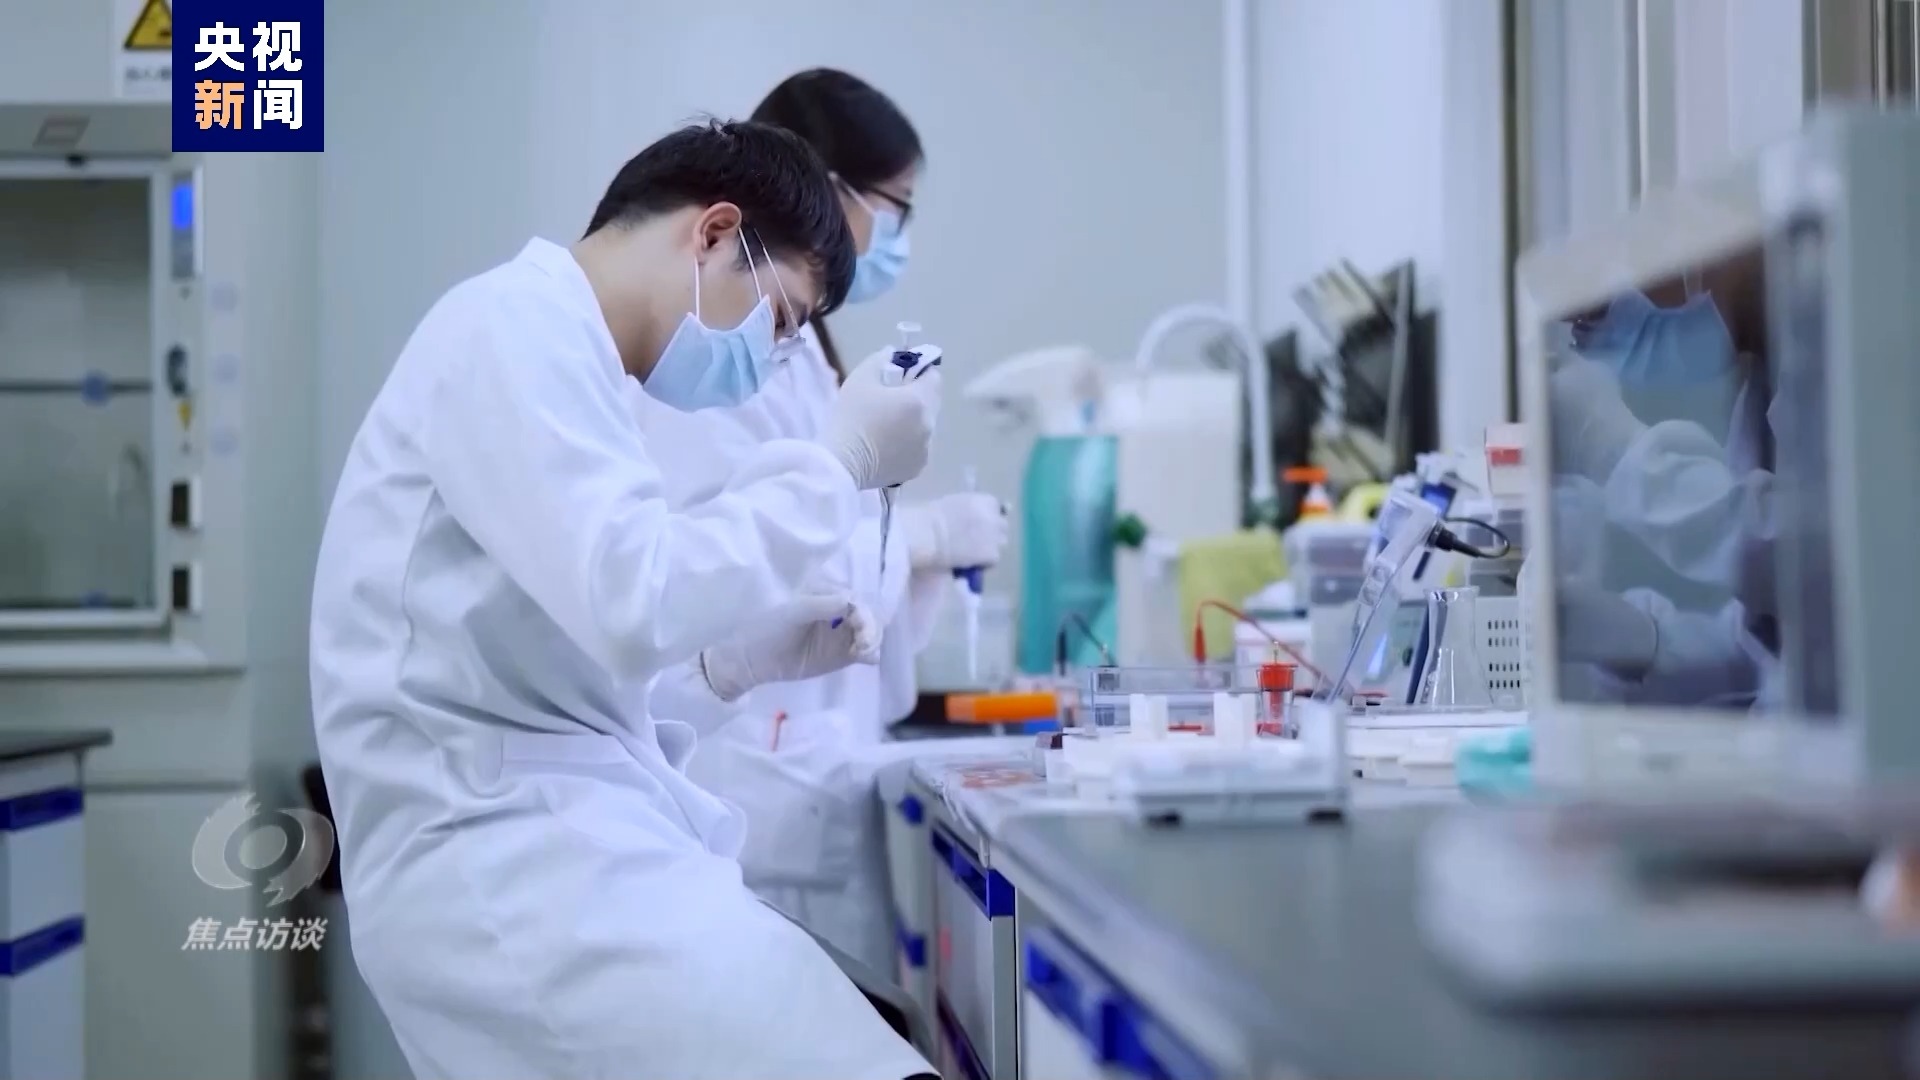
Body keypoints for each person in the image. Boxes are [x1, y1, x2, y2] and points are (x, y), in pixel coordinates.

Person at [310, 119, 946, 1080]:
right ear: (716, 233)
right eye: (780, 319)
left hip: (556, 847)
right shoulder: (512, 328)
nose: (771, 355)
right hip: (510, 875)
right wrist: (840, 464)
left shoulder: (574, 360)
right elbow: (634, 597)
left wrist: (726, 667)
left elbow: (566, 669)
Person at [631, 69, 1007, 974]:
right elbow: (749, 554)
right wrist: (920, 537)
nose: (897, 237)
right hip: (757, 780)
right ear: (830, 189)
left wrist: (907, 539)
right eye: (896, 207)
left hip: (803, 763)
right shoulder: (723, 353)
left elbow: (811, 526)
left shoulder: (797, 346)